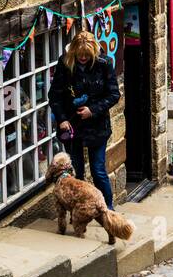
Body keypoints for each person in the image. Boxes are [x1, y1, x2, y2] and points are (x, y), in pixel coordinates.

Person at [50, 30, 121, 209]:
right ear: (73, 51)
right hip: (72, 126)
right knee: (76, 173)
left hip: (97, 126)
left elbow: (114, 94)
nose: (83, 58)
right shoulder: (64, 63)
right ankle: (79, 210)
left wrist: (93, 110)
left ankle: (107, 210)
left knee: (98, 171)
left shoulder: (104, 64)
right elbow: (55, 96)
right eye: (79, 54)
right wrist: (61, 119)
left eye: (86, 55)